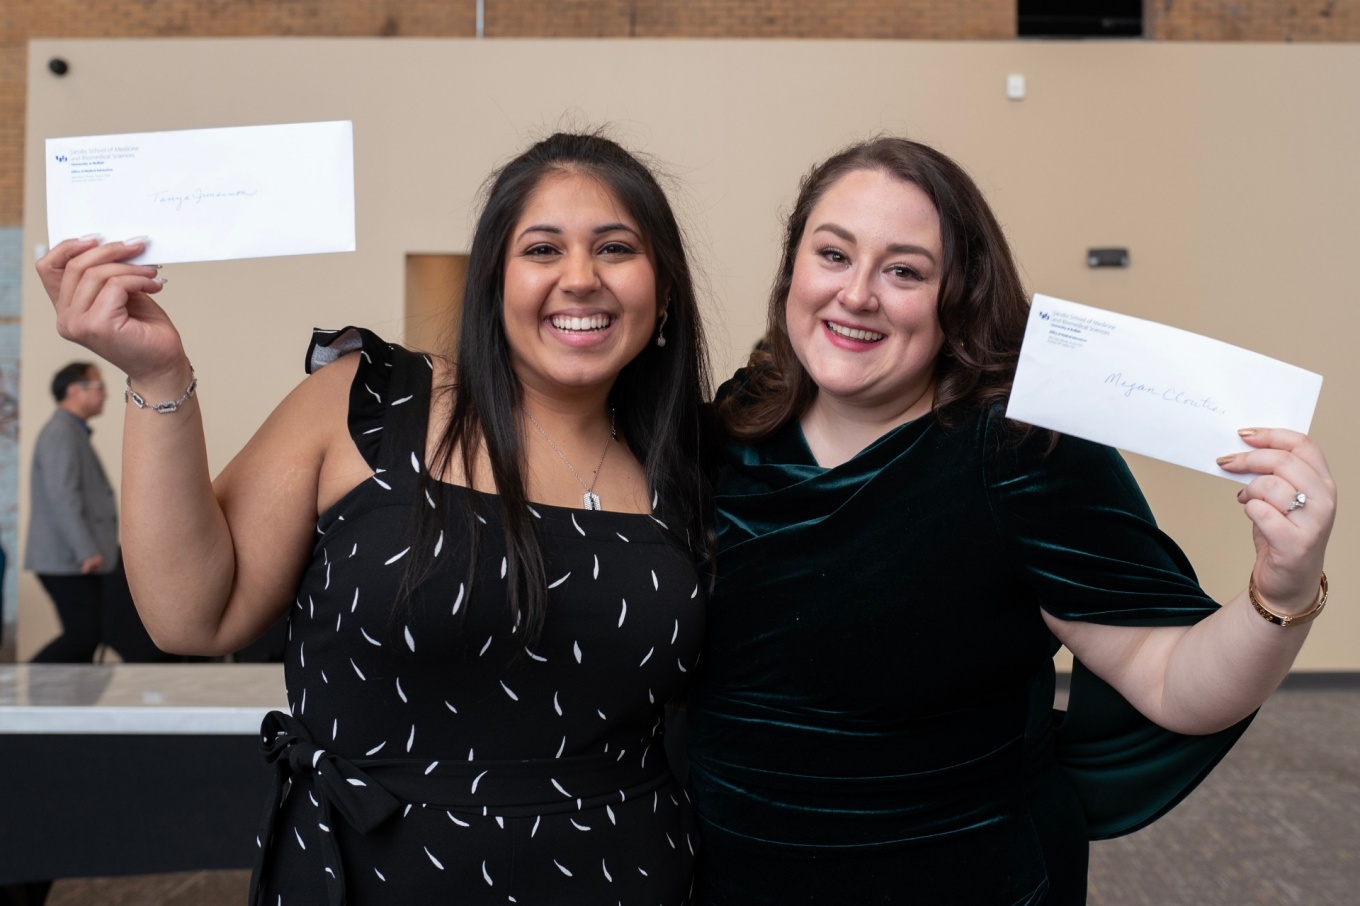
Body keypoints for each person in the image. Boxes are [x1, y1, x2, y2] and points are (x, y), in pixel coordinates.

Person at [36, 131, 714, 905]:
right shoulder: (372, 401)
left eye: (617, 248)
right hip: (375, 874)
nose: (581, 278)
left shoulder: (690, 466)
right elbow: (195, 616)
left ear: (662, 292)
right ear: (493, 282)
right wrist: (157, 372)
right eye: (543, 249)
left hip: (624, 876)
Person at [687, 137, 1335, 905]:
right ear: (793, 266)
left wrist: (1284, 590)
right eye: (833, 255)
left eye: (904, 270)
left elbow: (1172, 682)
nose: (857, 294)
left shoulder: (1021, 452)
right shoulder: (730, 428)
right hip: (730, 878)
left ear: (956, 293)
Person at [24, 362, 166, 663]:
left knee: (87, 637)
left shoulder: (71, 432)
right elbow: (63, 496)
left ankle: (63, 704)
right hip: (67, 560)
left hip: (73, 559)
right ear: (74, 391)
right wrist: (86, 549)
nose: (105, 394)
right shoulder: (61, 433)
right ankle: (16, 688)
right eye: (98, 386)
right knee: (83, 636)